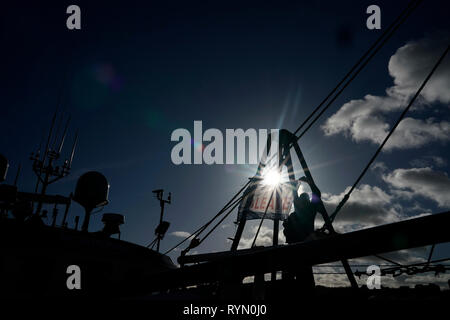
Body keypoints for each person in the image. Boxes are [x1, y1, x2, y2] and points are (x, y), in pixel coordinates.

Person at [282, 176, 319, 292]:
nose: (301, 201)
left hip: (303, 247)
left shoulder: (309, 210)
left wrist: (305, 183)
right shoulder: (302, 210)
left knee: (303, 277)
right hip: (296, 246)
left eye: (304, 199)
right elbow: (296, 194)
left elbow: (316, 194)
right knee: (293, 277)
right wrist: (302, 183)